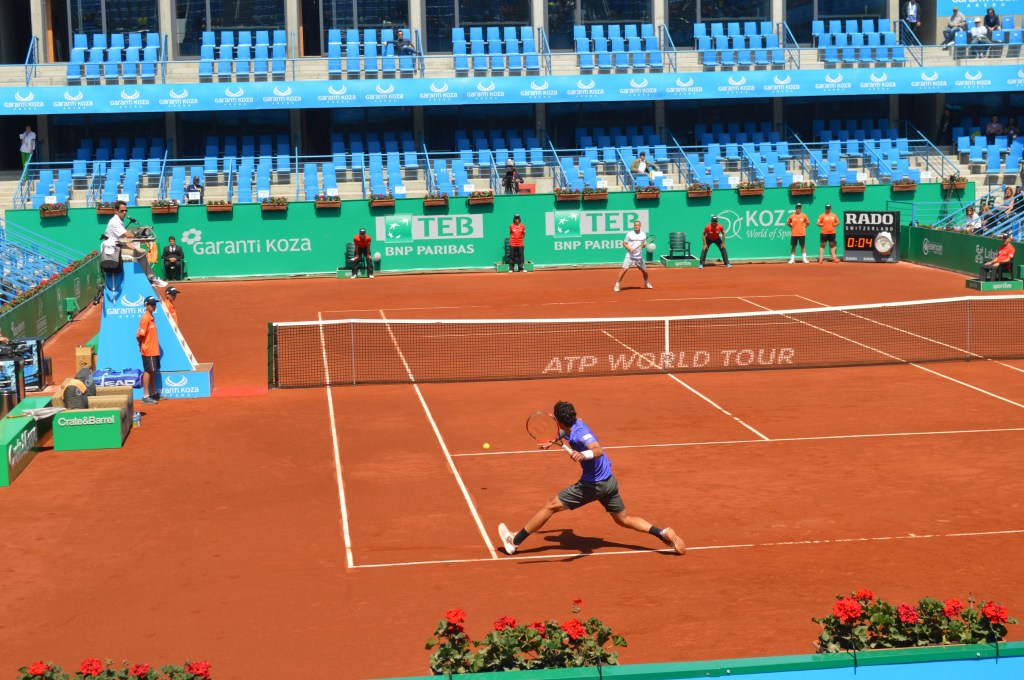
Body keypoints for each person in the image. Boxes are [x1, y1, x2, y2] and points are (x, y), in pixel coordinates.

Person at [496, 401, 686, 556]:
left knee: (550, 506)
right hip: (609, 482)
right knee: (623, 519)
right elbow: (568, 431)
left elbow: (597, 450)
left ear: (559, 422)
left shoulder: (579, 436)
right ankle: (662, 533)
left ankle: (515, 541)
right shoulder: (577, 423)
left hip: (591, 485)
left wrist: (583, 455)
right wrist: (554, 440)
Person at [103, 200, 167, 287]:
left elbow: (122, 238)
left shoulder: (120, 221)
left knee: (141, 251)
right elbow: (127, 235)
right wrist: (139, 235)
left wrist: (133, 246)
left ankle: (146, 278)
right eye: (122, 211)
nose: (124, 213)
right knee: (140, 253)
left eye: (126, 210)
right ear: (116, 211)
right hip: (113, 250)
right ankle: (152, 279)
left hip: (118, 246)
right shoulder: (114, 221)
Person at [613, 220, 652, 292]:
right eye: (635, 225)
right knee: (624, 269)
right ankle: (617, 285)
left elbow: (643, 245)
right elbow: (624, 243)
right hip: (630, 256)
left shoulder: (643, 234)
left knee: (644, 271)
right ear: (634, 226)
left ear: (640, 226)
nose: (636, 226)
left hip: (639, 257)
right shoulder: (629, 234)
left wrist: (643, 246)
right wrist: (630, 249)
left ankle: (646, 283)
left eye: (637, 225)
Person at [137, 296, 161, 404]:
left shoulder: (151, 317)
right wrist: (141, 345)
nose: (154, 306)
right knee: (148, 371)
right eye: (151, 304)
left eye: (154, 304)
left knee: (153, 371)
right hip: (148, 350)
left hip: (154, 350)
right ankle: (146, 396)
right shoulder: (146, 318)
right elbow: (138, 335)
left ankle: (154, 393)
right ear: (146, 306)